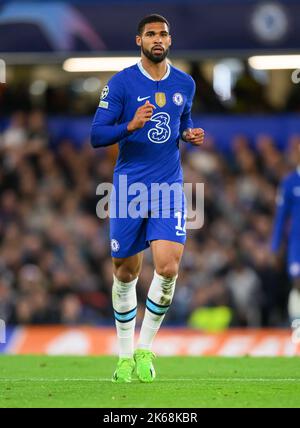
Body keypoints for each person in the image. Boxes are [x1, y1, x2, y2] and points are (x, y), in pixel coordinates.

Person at [91, 14, 204, 383]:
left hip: (169, 187)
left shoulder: (185, 83)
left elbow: (182, 120)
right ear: (138, 40)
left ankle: (144, 349)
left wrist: (187, 133)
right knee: (126, 273)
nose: (158, 39)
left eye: (164, 34)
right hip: (128, 189)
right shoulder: (121, 83)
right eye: (151, 34)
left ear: (170, 41)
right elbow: (96, 134)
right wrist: (130, 126)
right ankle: (123, 356)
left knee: (169, 267)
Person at [271, 142, 300, 324]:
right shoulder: (289, 182)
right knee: (298, 280)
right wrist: (275, 245)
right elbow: (281, 217)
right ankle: (296, 320)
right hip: (297, 242)